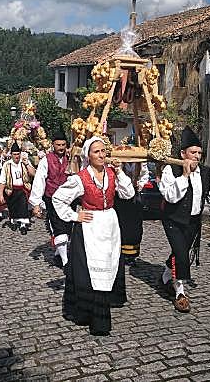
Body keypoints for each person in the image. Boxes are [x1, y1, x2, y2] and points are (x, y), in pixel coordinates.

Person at [52, 136, 135, 336]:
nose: (101, 155)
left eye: (103, 151)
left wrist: (120, 171)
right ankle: (92, 315)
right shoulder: (81, 178)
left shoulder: (112, 173)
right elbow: (58, 198)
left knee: (109, 265)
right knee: (91, 270)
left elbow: (129, 193)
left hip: (110, 224)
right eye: (96, 151)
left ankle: (105, 301)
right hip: (90, 226)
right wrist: (74, 215)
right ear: (88, 156)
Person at [158, 126, 210, 313]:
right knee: (181, 254)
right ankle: (180, 293)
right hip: (173, 220)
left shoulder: (206, 173)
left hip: (193, 221)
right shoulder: (170, 170)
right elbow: (170, 196)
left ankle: (166, 277)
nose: (197, 156)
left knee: (180, 253)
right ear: (183, 154)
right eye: (193, 152)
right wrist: (184, 175)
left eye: (199, 153)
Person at [29, 133, 72, 266]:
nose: (61, 147)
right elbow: (39, 181)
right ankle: (66, 262)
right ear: (53, 145)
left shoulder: (71, 159)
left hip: (68, 200)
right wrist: (36, 203)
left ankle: (59, 255)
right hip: (52, 199)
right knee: (58, 229)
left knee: (68, 228)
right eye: (58, 145)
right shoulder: (46, 160)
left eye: (63, 145)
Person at [115, 162, 149, 266]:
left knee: (135, 226)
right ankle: (120, 253)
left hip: (134, 196)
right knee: (121, 225)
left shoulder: (140, 162)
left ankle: (131, 255)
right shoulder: (118, 162)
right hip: (120, 196)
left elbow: (144, 175)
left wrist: (140, 184)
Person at [0, 142, 36, 235]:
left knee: (23, 206)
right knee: (13, 207)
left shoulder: (24, 162)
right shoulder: (7, 165)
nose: (16, 156)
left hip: (23, 189)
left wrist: (27, 164)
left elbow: (33, 173)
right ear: (11, 155)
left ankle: (23, 225)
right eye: (14, 154)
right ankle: (14, 222)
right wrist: (1, 194)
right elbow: (2, 180)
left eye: (18, 154)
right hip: (11, 189)